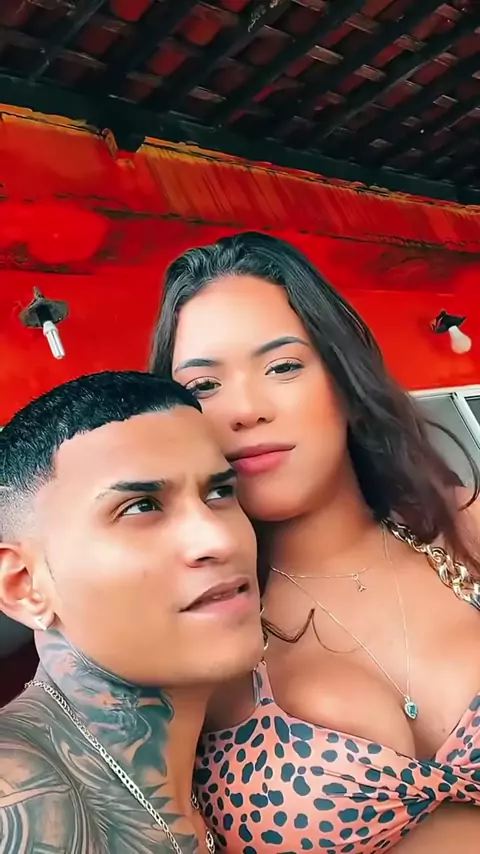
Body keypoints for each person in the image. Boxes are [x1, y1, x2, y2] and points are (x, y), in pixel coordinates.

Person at [151, 231, 480, 853]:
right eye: (202, 386)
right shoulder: (186, 623)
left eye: (282, 367)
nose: (245, 410)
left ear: (344, 378)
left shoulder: (464, 527)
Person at [0, 370, 263, 854]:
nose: (220, 539)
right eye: (141, 507)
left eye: (219, 493)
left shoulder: (220, 775)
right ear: (24, 584)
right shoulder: (20, 797)